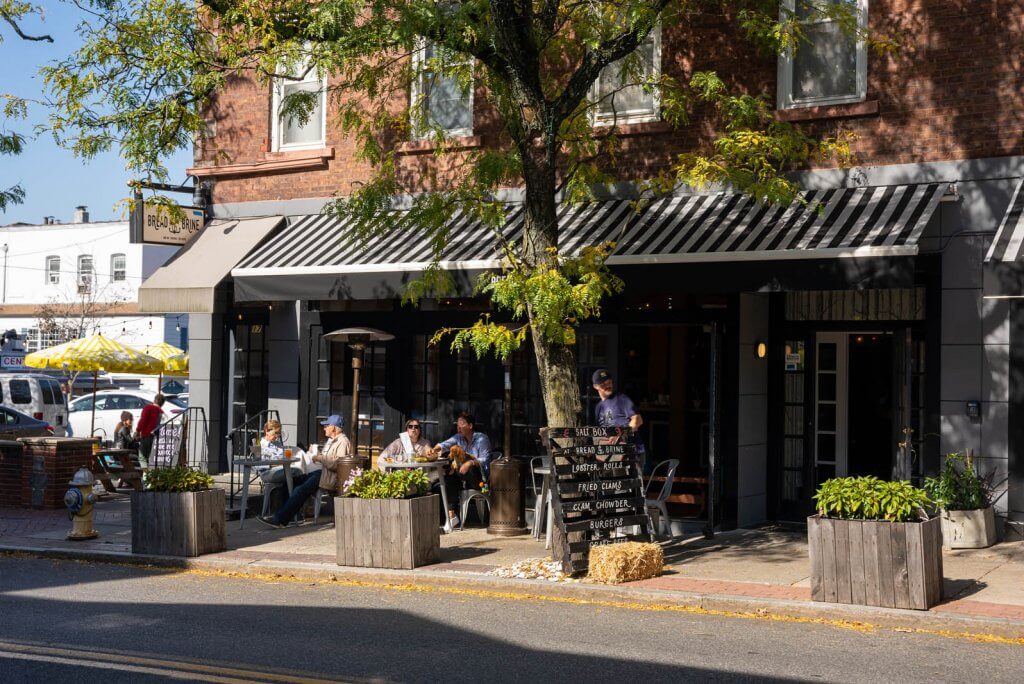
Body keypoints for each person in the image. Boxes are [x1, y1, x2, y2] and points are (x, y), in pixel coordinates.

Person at [258, 414, 351, 528]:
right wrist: (317, 455)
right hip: (322, 473)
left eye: (327, 426)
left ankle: (279, 520)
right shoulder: (333, 441)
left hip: (327, 477)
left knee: (300, 490)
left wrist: (319, 457)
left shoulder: (343, 442)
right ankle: (289, 516)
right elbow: (330, 458)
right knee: (291, 481)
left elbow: (338, 464)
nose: (324, 428)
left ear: (334, 428)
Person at [433, 412, 491, 528]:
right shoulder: (458, 437)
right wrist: (435, 449)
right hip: (462, 477)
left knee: (468, 468)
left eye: (462, 424)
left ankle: (452, 516)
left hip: (479, 479)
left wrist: (470, 462)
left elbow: (485, 459)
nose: (458, 427)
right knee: (449, 477)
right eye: (457, 424)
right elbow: (445, 444)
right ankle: (452, 515)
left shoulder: (482, 439)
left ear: (470, 426)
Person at [591, 368, 645, 465]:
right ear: (595, 386)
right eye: (603, 384)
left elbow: (638, 420)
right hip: (610, 456)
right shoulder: (598, 407)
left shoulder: (621, 399)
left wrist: (620, 434)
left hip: (631, 453)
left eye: (609, 383)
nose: (607, 386)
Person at [135, 393, 166, 469]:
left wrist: (137, 430)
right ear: (162, 403)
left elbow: (143, 421)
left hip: (146, 435)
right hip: (156, 437)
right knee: (150, 458)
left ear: (154, 400)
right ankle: (151, 476)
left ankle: (146, 477)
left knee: (142, 457)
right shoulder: (161, 412)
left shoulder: (148, 408)